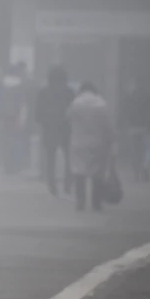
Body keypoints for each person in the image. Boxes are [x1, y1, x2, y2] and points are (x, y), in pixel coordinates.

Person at [68, 81, 115, 212]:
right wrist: (112, 140)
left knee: (79, 172)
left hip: (78, 142)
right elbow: (108, 126)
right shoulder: (102, 104)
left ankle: (80, 201)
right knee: (97, 174)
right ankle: (96, 203)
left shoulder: (75, 103)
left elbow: (68, 118)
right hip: (98, 143)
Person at [36, 65, 75, 195]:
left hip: (49, 128)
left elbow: (38, 111)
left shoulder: (44, 92)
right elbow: (73, 110)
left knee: (50, 158)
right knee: (69, 157)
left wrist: (42, 122)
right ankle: (68, 184)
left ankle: (52, 185)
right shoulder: (69, 92)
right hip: (65, 128)